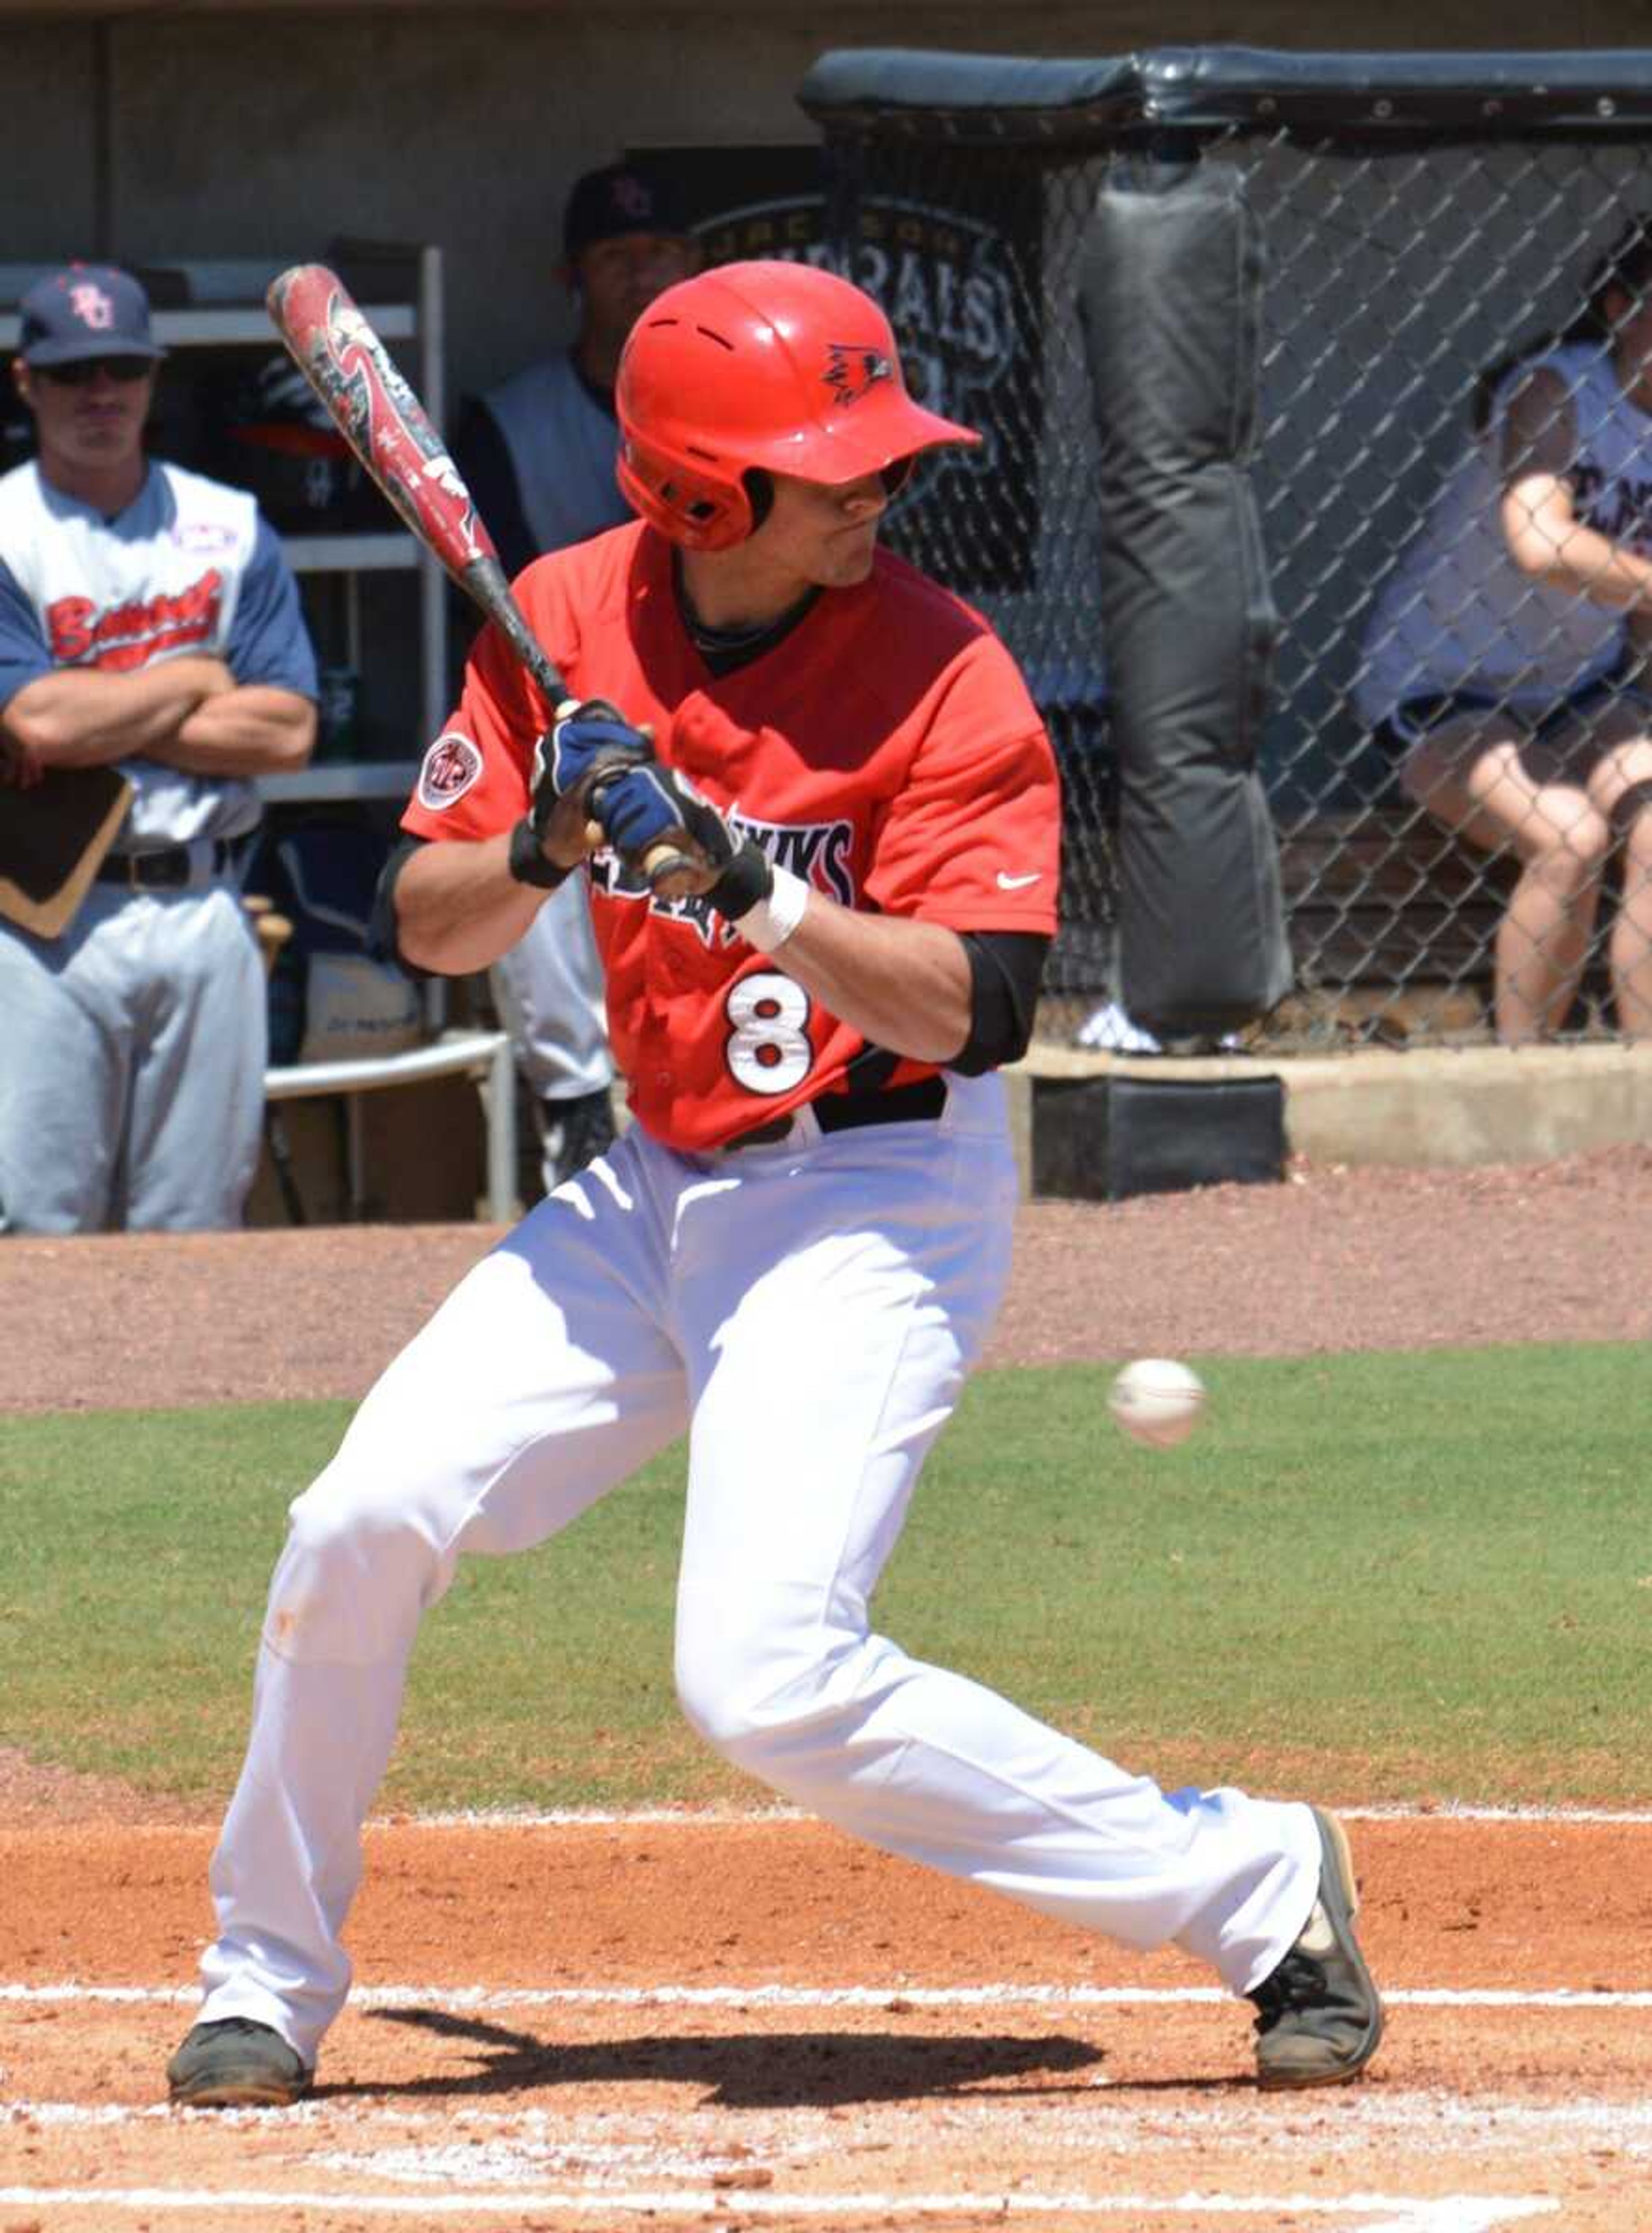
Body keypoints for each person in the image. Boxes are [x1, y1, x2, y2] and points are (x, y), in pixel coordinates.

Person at [166, 260, 1382, 2108]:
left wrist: (753, 886)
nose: (878, 491)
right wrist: (549, 830)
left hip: (876, 1191)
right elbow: (429, 921)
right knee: (356, 1519)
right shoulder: (564, 618)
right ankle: (264, 1973)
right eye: (837, 466)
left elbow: (982, 1011)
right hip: (648, 1190)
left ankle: (1259, 1877)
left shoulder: (948, 666)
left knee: (763, 1673)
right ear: (702, 495)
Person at [0, 263, 318, 1233]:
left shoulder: (226, 526)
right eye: (73, 373)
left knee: (198, 1233)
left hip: (205, 905)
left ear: (153, 377)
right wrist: (191, 678)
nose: (101, 394)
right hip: (45, 919)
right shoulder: (9, 530)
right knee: (33, 1228)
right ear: (26, 382)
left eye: (122, 370)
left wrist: (105, 711)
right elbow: (36, 727)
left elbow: (288, 731)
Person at [451, 161, 698, 1199]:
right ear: (574, 277)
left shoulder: (726, 412)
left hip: (706, 707)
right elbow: (498, 607)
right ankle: (574, 1109)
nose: (640, 275)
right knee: (537, 828)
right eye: (615, 257)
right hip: (565, 710)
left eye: (658, 254)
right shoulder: (512, 419)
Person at [1357, 217, 1652, 1042]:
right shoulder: (1558, 388)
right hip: (1446, 683)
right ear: (1625, 308)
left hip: (1577, 685)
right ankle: (1521, 1076)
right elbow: (1540, 540)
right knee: (1571, 835)